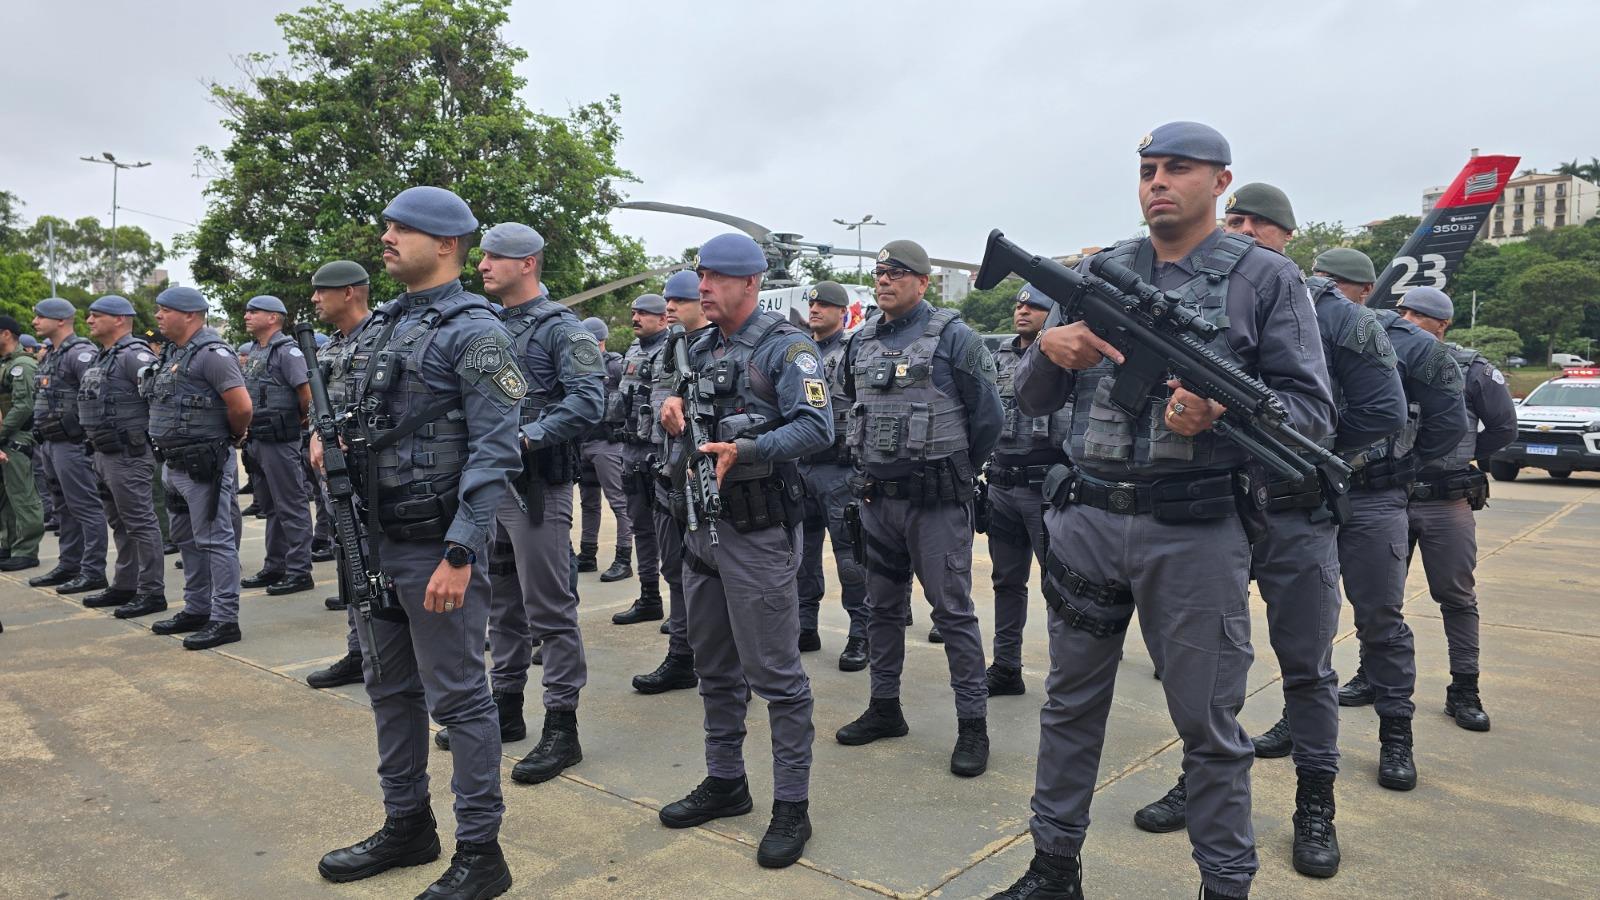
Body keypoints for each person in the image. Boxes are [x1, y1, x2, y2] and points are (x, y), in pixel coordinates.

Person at [990, 122, 1336, 900]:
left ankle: (1224, 883)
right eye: (1147, 168)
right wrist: (1050, 350)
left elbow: (1313, 415)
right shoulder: (1098, 272)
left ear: (1221, 182)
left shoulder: (1265, 280)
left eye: (1178, 168)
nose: (1157, 182)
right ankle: (1053, 870)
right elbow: (1033, 401)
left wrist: (1217, 411)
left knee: (1210, 725)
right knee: (1069, 707)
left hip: (1195, 530)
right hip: (1086, 519)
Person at [1135, 185, 1408, 881]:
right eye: (1235, 220)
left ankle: (1315, 802)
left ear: (1288, 235)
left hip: (1293, 510)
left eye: (1258, 222)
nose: (1242, 228)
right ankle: (1203, 779)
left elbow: (1381, 412)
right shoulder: (1199, 295)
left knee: (1307, 668)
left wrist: (1302, 456)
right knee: (1208, 666)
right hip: (1214, 508)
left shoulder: (1341, 318)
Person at [316, 186, 519, 899]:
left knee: (460, 700)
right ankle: (407, 824)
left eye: (404, 228)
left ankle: (481, 852)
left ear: (447, 245)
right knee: (390, 691)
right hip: (373, 542)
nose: (387, 236)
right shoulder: (381, 328)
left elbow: (496, 453)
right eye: (388, 224)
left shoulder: (478, 332)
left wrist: (462, 552)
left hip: (436, 548)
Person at [654, 232, 830, 868]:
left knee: (777, 678)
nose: (702, 287)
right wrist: (673, 409)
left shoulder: (787, 348)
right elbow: (684, 407)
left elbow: (817, 427)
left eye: (716, 277)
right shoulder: (700, 346)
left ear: (751, 283)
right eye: (700, 276)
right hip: (701, 527)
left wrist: (747, 450)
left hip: (757, 535)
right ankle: (726, 780)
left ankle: (792, 807)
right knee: (714, 670)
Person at [431, 222, 605, 788]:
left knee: (549, 608)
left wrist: (526, 436)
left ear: (527, 263)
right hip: (491, 488)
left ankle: (562, 725)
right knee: (499, 604)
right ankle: (505, 705)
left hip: (535, 488)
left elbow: (587, 401)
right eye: (481, 257)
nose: (482, 266)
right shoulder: (488, 325)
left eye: (494, 258)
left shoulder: (563, 329)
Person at [834, 238, 1003, 778]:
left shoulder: (956, 338)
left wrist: (952, 470)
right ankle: (885, 708)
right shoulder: (860, 343)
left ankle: (972, 726)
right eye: (880, 272)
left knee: (952, 612)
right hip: (875, 499)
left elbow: (989, 419)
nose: (886, 280)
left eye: (899, 273)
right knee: (881, 610)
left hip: (934, 503)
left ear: (923, 282)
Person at [1315, 249, 1468, 794]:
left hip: (1373, 498)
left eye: (1334, 283)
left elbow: (1449, 421)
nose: (1322, 290)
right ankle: (1299, 719)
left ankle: (1396, 734)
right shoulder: (1284, 330)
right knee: (1304, 621)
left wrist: (1398, 464)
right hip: (1305, 497)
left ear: (1362, 289)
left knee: (1380, 618)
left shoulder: (1408, 342)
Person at [1399, 287, 1517, 732]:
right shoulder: (1387, 362)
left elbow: (1503, 428)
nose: (1407, 319)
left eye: (1418, 314)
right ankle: (1371, 675)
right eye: (1403, 311)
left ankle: (1464, 689)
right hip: (1391, 497)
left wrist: (1460, 452)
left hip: (1445, 500)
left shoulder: (1471, 369)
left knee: (1456, 597)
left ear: (1442, 324)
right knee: (1380, 599)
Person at [145, 286, 253, 650]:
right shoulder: (174, 352)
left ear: (190, 314)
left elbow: (241, 405)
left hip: (204, 463)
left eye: (164, 310)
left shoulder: (213, 353)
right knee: (187, 540)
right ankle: (196, 608)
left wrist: (235, 436)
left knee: (214, 541)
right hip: (173, 463)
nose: (158, 316)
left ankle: (224, 619)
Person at [983, 284, 1070, 696]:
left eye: (1034, 305)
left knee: (1058, 585)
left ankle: (1066, 672)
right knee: (1006, 582)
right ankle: (1005, 666)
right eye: (1019, 304)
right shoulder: (995, 355)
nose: (1023, 310)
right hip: (1002, 484)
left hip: (1048, 490)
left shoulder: (1070, 355)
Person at [631, 269, 711, 694]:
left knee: (717, 579)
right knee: (676, 572)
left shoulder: (722, 346)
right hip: (668, 475)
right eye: (667, 301)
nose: (670, 308)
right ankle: (682, 656)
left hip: (708, 480)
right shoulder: (671, 347)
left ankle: (729, 666)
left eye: (678, 301)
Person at [304, 260, 377, 690]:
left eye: (322, 290)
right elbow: (319, 404)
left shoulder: (384, 339)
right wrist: (316, 432)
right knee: (347, 557)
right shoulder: (329, 348)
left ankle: (382, 652)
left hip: (373, 477)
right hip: (334, 475)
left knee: (375, 564)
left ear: (349, 292)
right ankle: (359, 650)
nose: (315, 298)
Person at [794, 281, 871, 671]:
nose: (816, 309)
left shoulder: (853, 351)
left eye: (825, 305)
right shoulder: (797, 351)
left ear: (843, 311)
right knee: (800, 555)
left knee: (850, 557)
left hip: (840, 469)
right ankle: (805, 625)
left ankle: (861, 631)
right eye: (813, 303)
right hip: (800, 466)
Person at [76, 295, 168, 619]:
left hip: (128, 453)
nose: (89, 321)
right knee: (120, 523)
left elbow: (159, 397)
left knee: (141, 523)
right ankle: (125, 584)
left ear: (119, 319)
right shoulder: (104, 357)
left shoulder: (134, 354)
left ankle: (152, 591)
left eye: (95, 315)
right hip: (103, 453)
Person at [28, 297, 110, 595]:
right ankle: (70, 563)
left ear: (61, 320)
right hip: (50, 443)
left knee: (85, 507)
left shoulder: (81, 353)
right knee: (62, 507)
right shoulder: (51, 353)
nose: (35, 322)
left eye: (40, 316)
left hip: (71, 444)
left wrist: (84, 435)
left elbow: (95, 399)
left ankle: (93, 571)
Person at [239, 295, 317, 596]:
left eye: (254, 311)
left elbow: (306, 394)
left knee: (291, 504)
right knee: (271, 507)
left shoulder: (287, 351)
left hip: (281, 439)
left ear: (273, 317)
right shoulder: (259, 350)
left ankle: (299, 570)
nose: (247, 315)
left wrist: (295, 424)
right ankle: (276, 565)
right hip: (259, 438)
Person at [609, 293, 671, 625]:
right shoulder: (632, 351)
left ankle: (684, 607)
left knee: (671, 530)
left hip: (658, 450)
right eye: (634, 312)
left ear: (663, 319)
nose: (636, 318)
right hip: (630, 450)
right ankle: (649, 596)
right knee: (641, 527)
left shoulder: (675, 350)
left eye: (644, 313)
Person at [575, 315, 633, 581]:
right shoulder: (578, 365)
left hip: (608, 444)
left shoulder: (616, 366)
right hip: (583, 443)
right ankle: (587, 555)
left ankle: (623, 558)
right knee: (589, 502)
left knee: (619, 503)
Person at [0, 317, 44, 572]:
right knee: (5, 497)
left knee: (21, 494)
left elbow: (24, 406)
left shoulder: (22, 365)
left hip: (16, 438)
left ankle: (26, 549)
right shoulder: (6, 365)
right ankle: (9, 543)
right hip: (7, 436)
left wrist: (2, 434)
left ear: (6, 334)